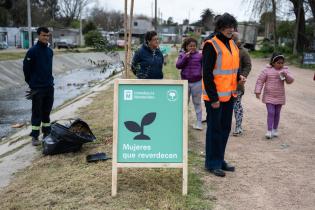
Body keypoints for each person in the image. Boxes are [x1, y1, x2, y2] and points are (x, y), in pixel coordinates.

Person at [202, 13, 246, 177]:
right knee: (214, 129)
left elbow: (233, 68)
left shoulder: (233, 44)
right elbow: (206, 74)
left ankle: (219, 160)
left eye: (232, 26)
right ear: (219, 27)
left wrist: (238, 76)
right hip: (215, 98)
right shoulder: (211, 45)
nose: (230, 29)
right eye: (227, 26)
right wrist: (213, 99)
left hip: (230, 95)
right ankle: (211, 163)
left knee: (225, 129)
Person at [23, 27, 54, 146]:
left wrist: (49, 82)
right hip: (37, 88)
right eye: (43, 35)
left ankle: (47, 133)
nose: (46, 38)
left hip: (49, 86)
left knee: (46, 111)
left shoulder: (50, 51)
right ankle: (35, 136)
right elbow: (26, 68)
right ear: (38, 36)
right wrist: (31, 83)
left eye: (47, 36)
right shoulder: (32, 51)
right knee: (37, 112)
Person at [255, 52, 294, 139]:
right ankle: (269, 131)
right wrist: (258, 91)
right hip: (269, 96)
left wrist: (286, 75)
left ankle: (275, 129)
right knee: (271, 112)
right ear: (273, 62)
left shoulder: (285, 71)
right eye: (278, 63)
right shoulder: (267, 70)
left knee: (277, 113)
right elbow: (260, 81)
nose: (280, 65)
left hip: (280, 96)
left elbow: (290, 81)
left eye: (282, 63)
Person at [176, 37, 203, 130]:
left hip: (197, 82)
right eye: (190, 46)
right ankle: (182, 122)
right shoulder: (182, 55)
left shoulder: (200, 56)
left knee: (197, 102)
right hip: (185, 82)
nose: (192, 48)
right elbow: (178, 66)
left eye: (194, 46)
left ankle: (199, 123)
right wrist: (184, 58)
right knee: (184, 103)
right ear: (186, 47)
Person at [231, 32, 252, 136]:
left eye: (233, 38)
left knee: (237, 105)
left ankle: (238, 127)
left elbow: (248, 65)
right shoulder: (225, 50)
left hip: (237, 85)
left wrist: (242, 76)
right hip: (224, 85)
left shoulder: (243, 52)